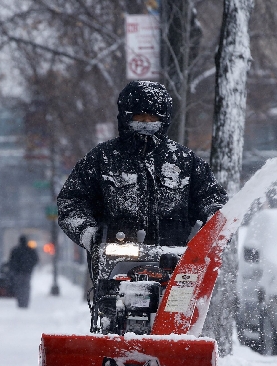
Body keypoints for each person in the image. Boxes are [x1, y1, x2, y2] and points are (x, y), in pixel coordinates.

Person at [57, 80, 227, 256]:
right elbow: (71, 202)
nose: (147, 123)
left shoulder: (184, 161)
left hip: (175, 261)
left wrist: (214, 222)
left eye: (153, 118)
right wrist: (89, 234)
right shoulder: (102, 159)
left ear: (164, 119)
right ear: (126, 117)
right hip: (116, 263)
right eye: (140, 117)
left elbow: (212, 198)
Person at [8, 235, 39, 308]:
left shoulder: (15, 250)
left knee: (19, 288)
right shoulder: (30, 250)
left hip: (18, 273)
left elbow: (11, 261)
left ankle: (20, 302)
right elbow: (35, 259)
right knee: (26, 288)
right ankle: (25, 302)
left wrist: (14, 269)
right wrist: (30, 267)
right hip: (27, 272)